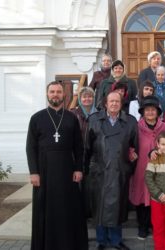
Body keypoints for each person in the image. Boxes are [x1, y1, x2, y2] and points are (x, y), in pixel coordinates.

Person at [26, 81, 88, 250]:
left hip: (67, 170)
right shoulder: (37, 118)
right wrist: (34, 172)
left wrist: (78, 169)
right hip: (44, 172)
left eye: (58, 92)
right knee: (45, 211)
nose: (55, 94)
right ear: (47, 94)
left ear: (64, 95)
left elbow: (78, 146)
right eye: (52, 91)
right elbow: (30, 147)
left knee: (67, 209)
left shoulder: (71, 118)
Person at [85, 91, 138, 250]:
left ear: (121, 104)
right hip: (99, 171)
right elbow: (86, 148)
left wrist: (129, 168)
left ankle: (116, 240)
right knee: (100, 207)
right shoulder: (94, 120)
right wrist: (87, 169)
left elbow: (135, 148)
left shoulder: (130, 121)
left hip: (119, 171)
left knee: (117, 207)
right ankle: (101, 241)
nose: (114, 104)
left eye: (117, 101)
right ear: (105, 104)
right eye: (111, 101)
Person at [129, 95, 165, 240]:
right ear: (143, 112)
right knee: (141, 199)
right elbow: (128, 144)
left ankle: (155, 226)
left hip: (160, 172)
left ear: (158, 112)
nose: (150, 113)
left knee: (157, 198)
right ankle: (142, 226)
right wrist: (131, 152)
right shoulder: (136, 127)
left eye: (153, 110)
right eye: (147, 110)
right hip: (141, 169)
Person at [70, 86, 97, 217]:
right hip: (78, 154)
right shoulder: (73, 114)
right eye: (84, 96)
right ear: (80, 99)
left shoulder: (98, 113)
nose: (87, 99)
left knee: (91, 185)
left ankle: (90, 211)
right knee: (78, 184)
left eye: (90, 96)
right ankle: (79, 213)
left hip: (93, 155)